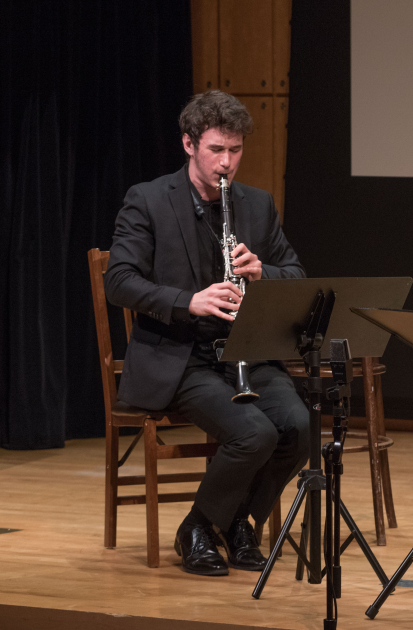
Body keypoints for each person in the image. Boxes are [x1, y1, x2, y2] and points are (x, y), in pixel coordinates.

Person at [105, 90, 309, 577]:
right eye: (217, 149)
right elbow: (120, 280)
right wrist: (188, 301)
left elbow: (295, 274)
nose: (227, 163)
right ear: (189, 144)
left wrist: (263, 273)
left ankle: (228, 522)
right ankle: (201, 529)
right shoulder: (148, 199)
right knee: (254, 433)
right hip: (180, 354)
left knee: (300, 427)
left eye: (235, 150)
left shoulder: (257, 204)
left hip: (246, 352)